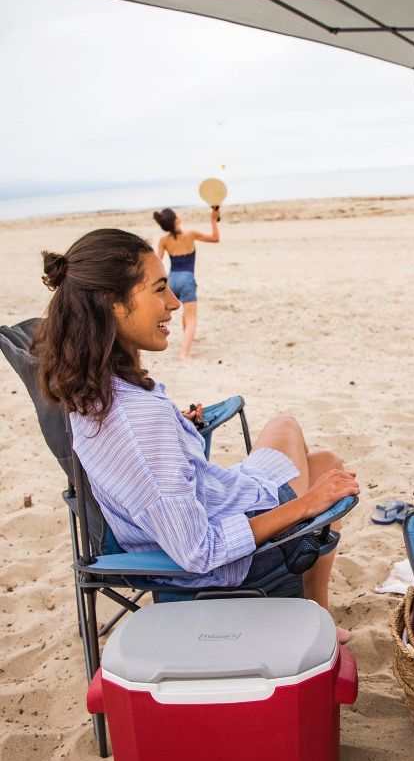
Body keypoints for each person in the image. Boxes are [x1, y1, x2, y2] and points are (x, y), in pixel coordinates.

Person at [34, 229, 358, 641]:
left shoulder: (90, 389)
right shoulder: (139, 422)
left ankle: (315, 609)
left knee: (324, 461)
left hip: (205, 507)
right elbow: (198, 552)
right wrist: (307, 506)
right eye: (159, 289)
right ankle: (312, 611)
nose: (173, 304)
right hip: (233, 556)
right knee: (293, 434)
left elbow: (146, 467)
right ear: (112, 304)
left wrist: (177, 428)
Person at [154, 207, 219, 359]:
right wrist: (213, 220)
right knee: (191, 319)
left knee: (185, 313)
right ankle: (184, 354)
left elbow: (157, 261)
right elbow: (215, 238)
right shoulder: (191, 234)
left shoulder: (164, 240)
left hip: (171, 281)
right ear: (176, 220)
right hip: (187, 279)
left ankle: (187, 341)